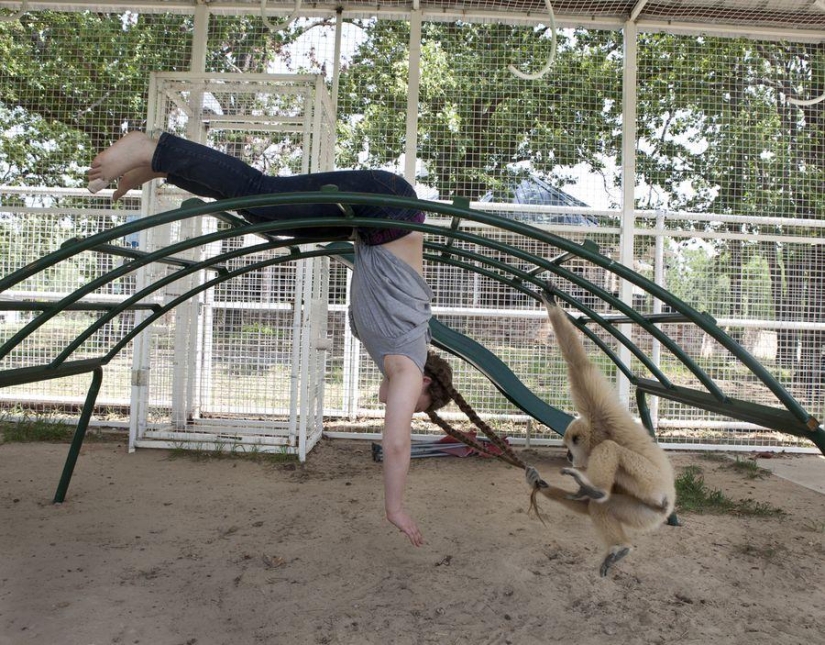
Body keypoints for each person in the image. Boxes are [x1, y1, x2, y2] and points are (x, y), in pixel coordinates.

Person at [88, 131, 460, 547]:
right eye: (410, 404)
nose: (392, 403)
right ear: (424, 384)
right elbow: (395, 444)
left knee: (263, 215)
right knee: (261, 192)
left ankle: (161, 166)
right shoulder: (407, 365)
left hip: (374, 215)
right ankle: (151, 147)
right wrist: (396, 507)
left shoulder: (393, 351)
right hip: (385, 202)